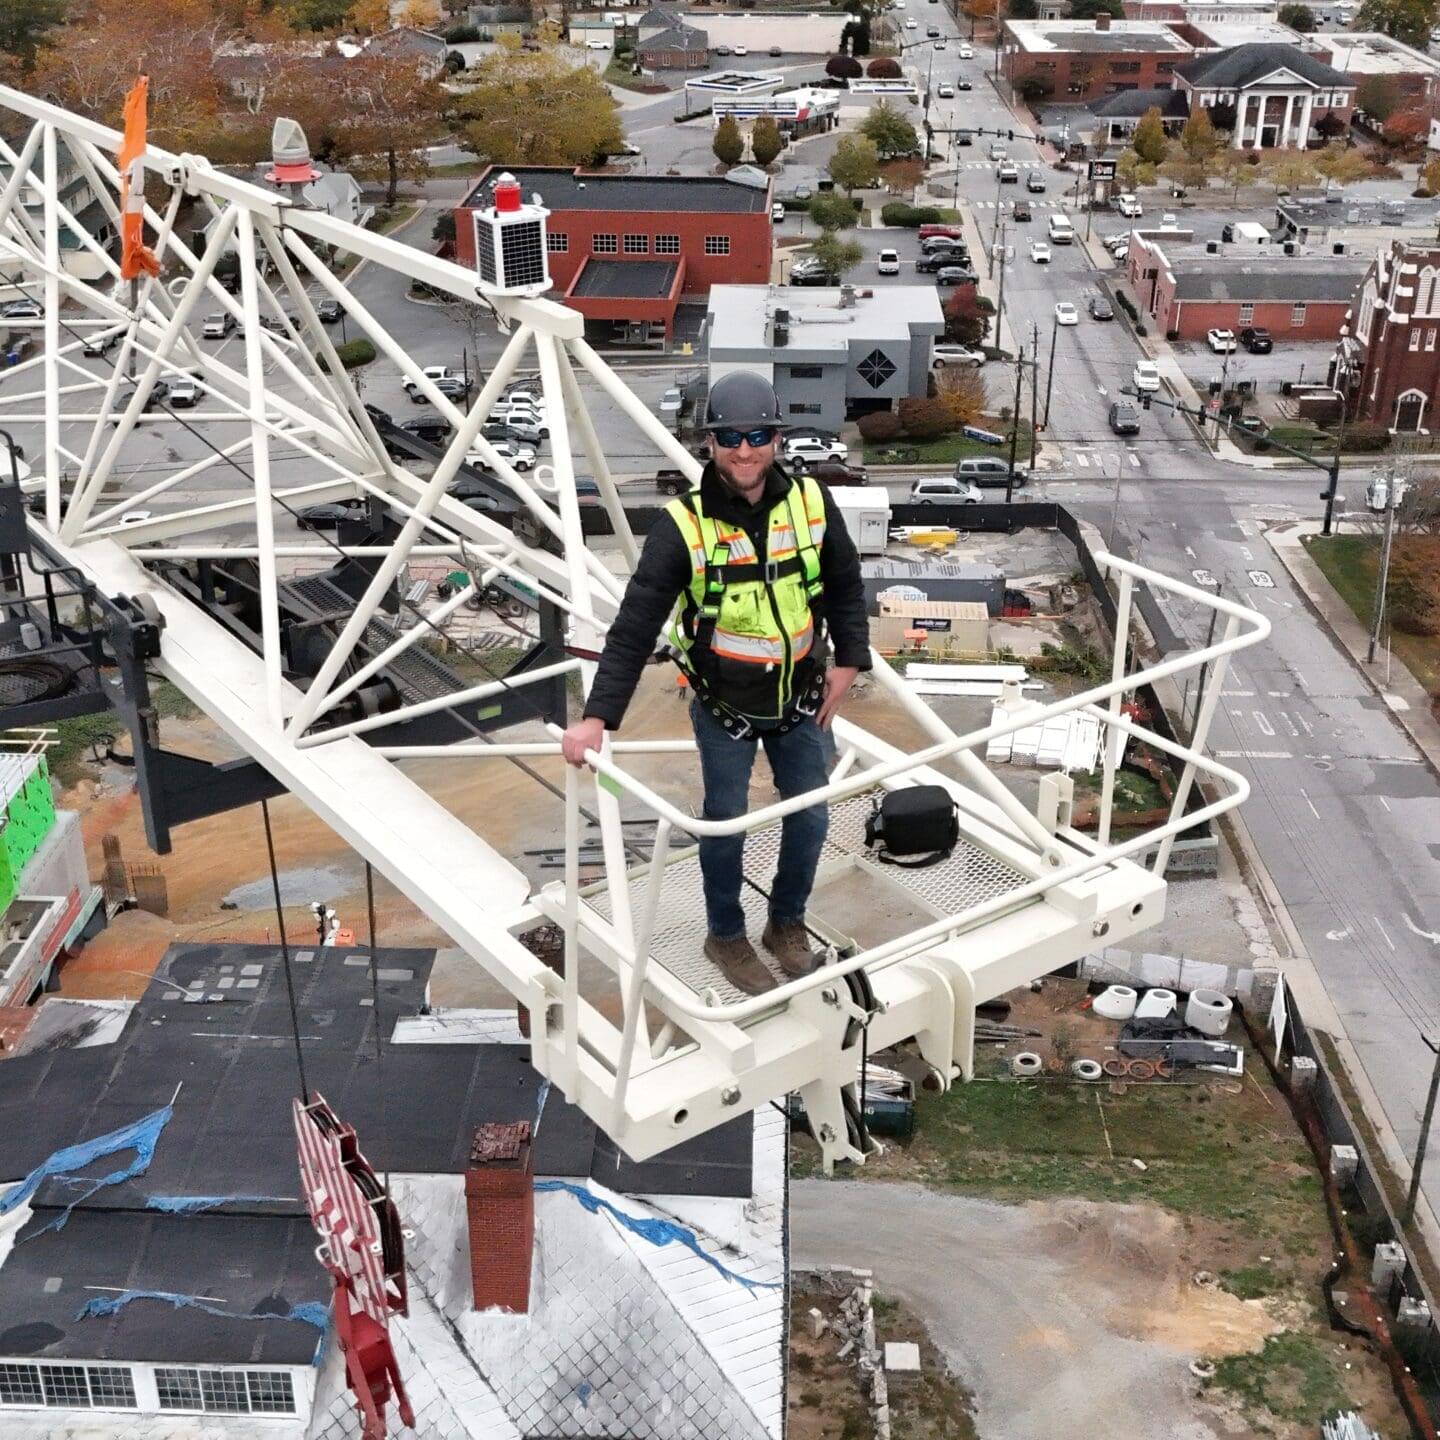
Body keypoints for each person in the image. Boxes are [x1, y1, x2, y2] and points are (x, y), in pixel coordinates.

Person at [561, 371, 870, 996]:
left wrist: (850, 660)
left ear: (777, 438)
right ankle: (725, 934)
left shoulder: (811, 502)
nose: (744, 449)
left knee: (809, 816)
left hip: (802, 698)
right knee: (725, 823)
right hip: (725, 705)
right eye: (730, 436)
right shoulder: (685, 526)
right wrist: (598, 716)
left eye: (757, 435)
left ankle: (786, 925)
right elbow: (635, 622)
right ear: (711, 443)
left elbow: (843, 580)